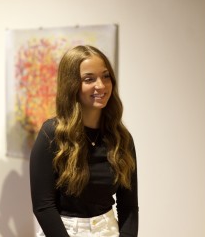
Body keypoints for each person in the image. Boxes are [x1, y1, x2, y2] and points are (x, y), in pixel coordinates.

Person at [30, 45, 138, 237]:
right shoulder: (52, 133)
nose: (101, 85)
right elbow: (43, 206)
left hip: (108, 230)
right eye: (89, 79)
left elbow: (128, 205)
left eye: (106, 76)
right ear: (72, 84)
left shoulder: (121, 138)